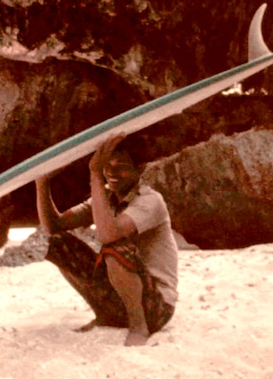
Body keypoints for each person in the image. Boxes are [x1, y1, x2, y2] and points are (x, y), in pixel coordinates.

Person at [35, 133, 178, 346]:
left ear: (140, 169)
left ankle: (139, 327)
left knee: (115, 248)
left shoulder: (150, 201)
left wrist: (95, 174)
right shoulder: (107, 198)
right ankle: (106, 316)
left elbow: (108, 235)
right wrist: (42, 183)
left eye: (120, 166)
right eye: (107, 165)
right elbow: (53, 226)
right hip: (122, 300)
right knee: (60, 244)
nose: (111, 172)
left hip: (157, 306)